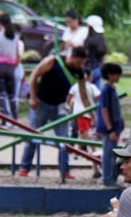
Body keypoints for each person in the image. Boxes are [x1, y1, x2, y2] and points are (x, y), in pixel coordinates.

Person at [18, 47, 88, 182]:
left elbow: (83, 94)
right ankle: (24, 167)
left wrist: (89, 111)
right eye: (78, 62)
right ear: (71, 57)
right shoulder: (53, 61)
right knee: (33, 135)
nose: (80, 66)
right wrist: (33, 97)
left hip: (60, 106)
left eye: (82, 63)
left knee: (65, 140)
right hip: (42, 103)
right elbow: (34, 75)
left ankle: (64, 170)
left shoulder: (79, 72)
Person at [96, 62, 124, 187]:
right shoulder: (106, 90)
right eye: (117, 74)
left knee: (112, 153)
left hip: (115, 127)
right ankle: (107, 179)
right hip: (109, 129)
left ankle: (111, 177)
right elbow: (104, 109)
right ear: (110, 75)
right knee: (108, 154)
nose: (119, 77)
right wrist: (110, 129)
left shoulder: (112, 89)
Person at [0, 14, 23, 120]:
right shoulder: (15, 37)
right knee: (12, 95)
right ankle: (15, 118)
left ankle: (4, 119)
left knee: (2, 95)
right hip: (11, 68)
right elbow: (18, 55)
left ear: (0, 24)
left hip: (0, 66)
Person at [84, 15, 107, 85]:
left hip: (89, 70)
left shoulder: (89, 41)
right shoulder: (101, 40)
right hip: (99, 69)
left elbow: (85, 56)